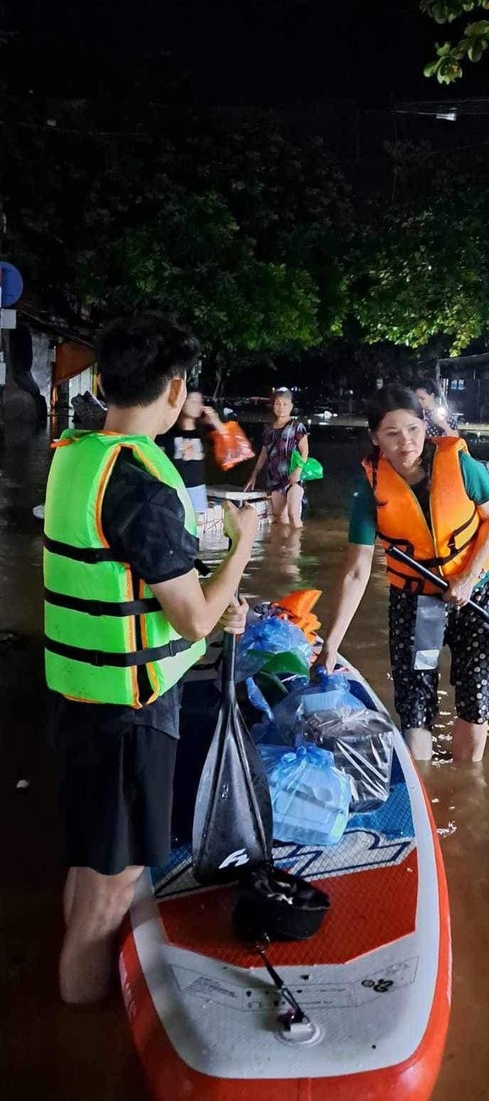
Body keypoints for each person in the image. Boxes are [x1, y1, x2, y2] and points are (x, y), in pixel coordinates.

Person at [43, 314, 259, 1005]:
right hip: (125, 719)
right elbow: (192, 615)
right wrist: (244, 545)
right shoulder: (138, 480)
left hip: (77, 698)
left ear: (103, 383)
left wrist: (213, 585)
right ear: (174, 388)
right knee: (108, 898)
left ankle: (70, 1001)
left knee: (88, 865)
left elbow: (143, 580)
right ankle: (80, 1028)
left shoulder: (77, 454)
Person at [316, 385, 489, 764]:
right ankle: (426, 792)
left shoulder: (463, 466)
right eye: (392, 434)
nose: (406, 443)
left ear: (425, 427)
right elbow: (356, 570)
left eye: (413, 430)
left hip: (474, 591)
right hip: (415, 599)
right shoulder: (369, 488)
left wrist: (467, 579)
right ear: (375, 438)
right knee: (415, 701)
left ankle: (466, 784)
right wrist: (332, 643)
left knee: (476, 695)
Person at [244, 386, 309, 527]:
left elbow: (305, 452)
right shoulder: (268, 429)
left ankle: (296, 547)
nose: (281, 408)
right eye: (278, 404)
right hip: (274, 480)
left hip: (293, 479)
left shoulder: (297, 426)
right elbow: (264, 453)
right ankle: (284, 547)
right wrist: (254, 474)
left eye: (285, 404)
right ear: (273, 406)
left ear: (291, 406)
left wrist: (298, 471)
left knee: (293, 514)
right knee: (281, 517)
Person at [157, 388, 225, 517]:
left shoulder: (204, 431)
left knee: (195, 531)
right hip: (174, 488)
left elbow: (230, 445)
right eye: (193, 401)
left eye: (200, 402)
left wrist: (215, 420)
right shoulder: (168, 432)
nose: (197, 405)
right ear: (182, 403)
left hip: (196, 488)